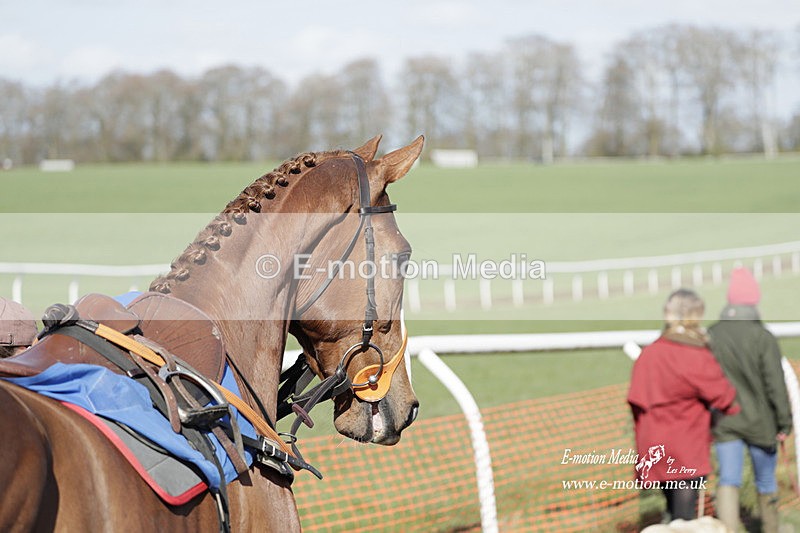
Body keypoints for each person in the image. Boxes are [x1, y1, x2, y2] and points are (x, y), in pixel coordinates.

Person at [628, 288, 740, 522]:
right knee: (685, 517)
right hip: (685, 445)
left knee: (672, 510)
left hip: (654, 444)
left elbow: (636, 400)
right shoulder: (692, 352)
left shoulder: (650, 353)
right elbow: (723, 396)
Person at [709, 267, 792, 533]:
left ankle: (727, 529)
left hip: (725, 421)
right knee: (766, 480)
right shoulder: (763, 337)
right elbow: (775, 383)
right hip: (761, 422)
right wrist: (784, 422)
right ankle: (771, 529)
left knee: (728, 479)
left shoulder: (712, 334)